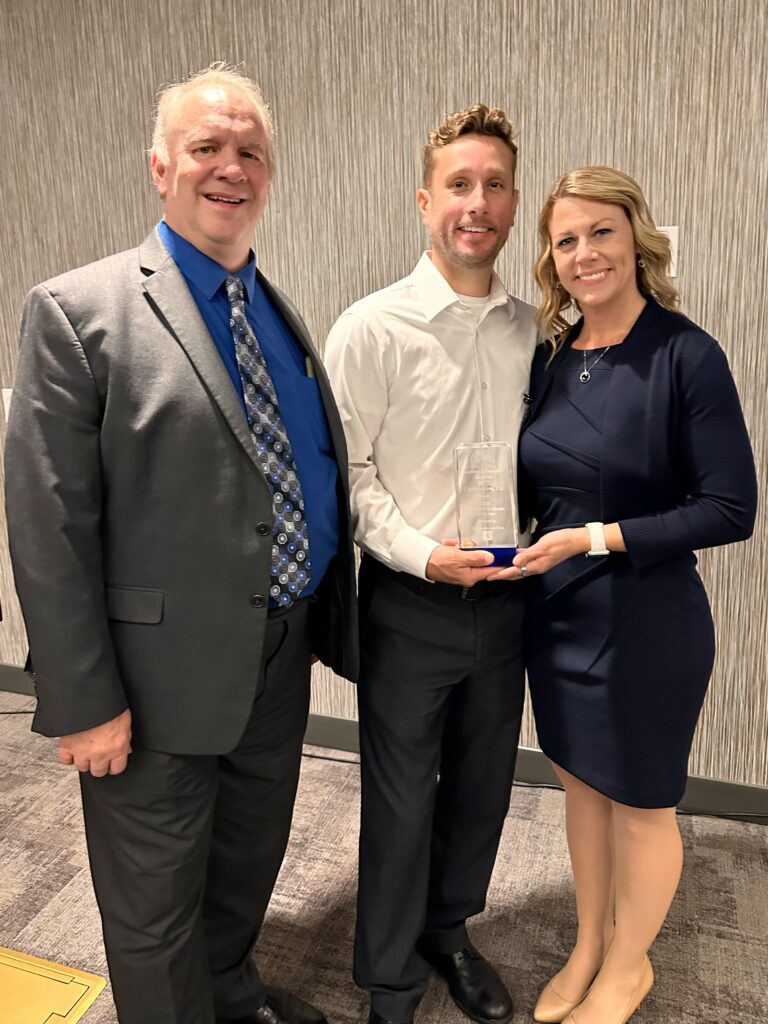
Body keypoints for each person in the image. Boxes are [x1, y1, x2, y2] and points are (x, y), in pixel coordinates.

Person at [4, 65, 358, 1024]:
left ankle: (232, 991)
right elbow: (48, 524)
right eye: (208, 147)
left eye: (251, 153)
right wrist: (83, 702)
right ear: (161, 167)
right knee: (154, 909)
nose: (230, 168)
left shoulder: (279, 313)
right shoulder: (79, 312)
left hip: (276, 657)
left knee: (246, 863)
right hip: (148, 683)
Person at [495, 166, 756, 1024]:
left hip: (647, 619)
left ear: (636, 239)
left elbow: (730, 508)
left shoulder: (686, 353)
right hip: (558, 616)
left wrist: (599, 539)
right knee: (582, 791)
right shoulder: (553, 357)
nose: (583, 253)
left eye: (600, 232)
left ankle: (629, 966)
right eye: (565, 240)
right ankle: (588, 944)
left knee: (642, 803)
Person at [324, 105, 537, 1024]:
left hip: (510, 598)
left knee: (485, 783)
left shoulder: (539, 331)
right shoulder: (370, 330)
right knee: (401, 799)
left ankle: (448, 931)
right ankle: (390, 983)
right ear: (425, 201)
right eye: (459, 184)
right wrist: (422, 556)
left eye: (493, 186)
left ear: (514, 203)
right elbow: (352, 479)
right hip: (411, 603)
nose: (476, 203)